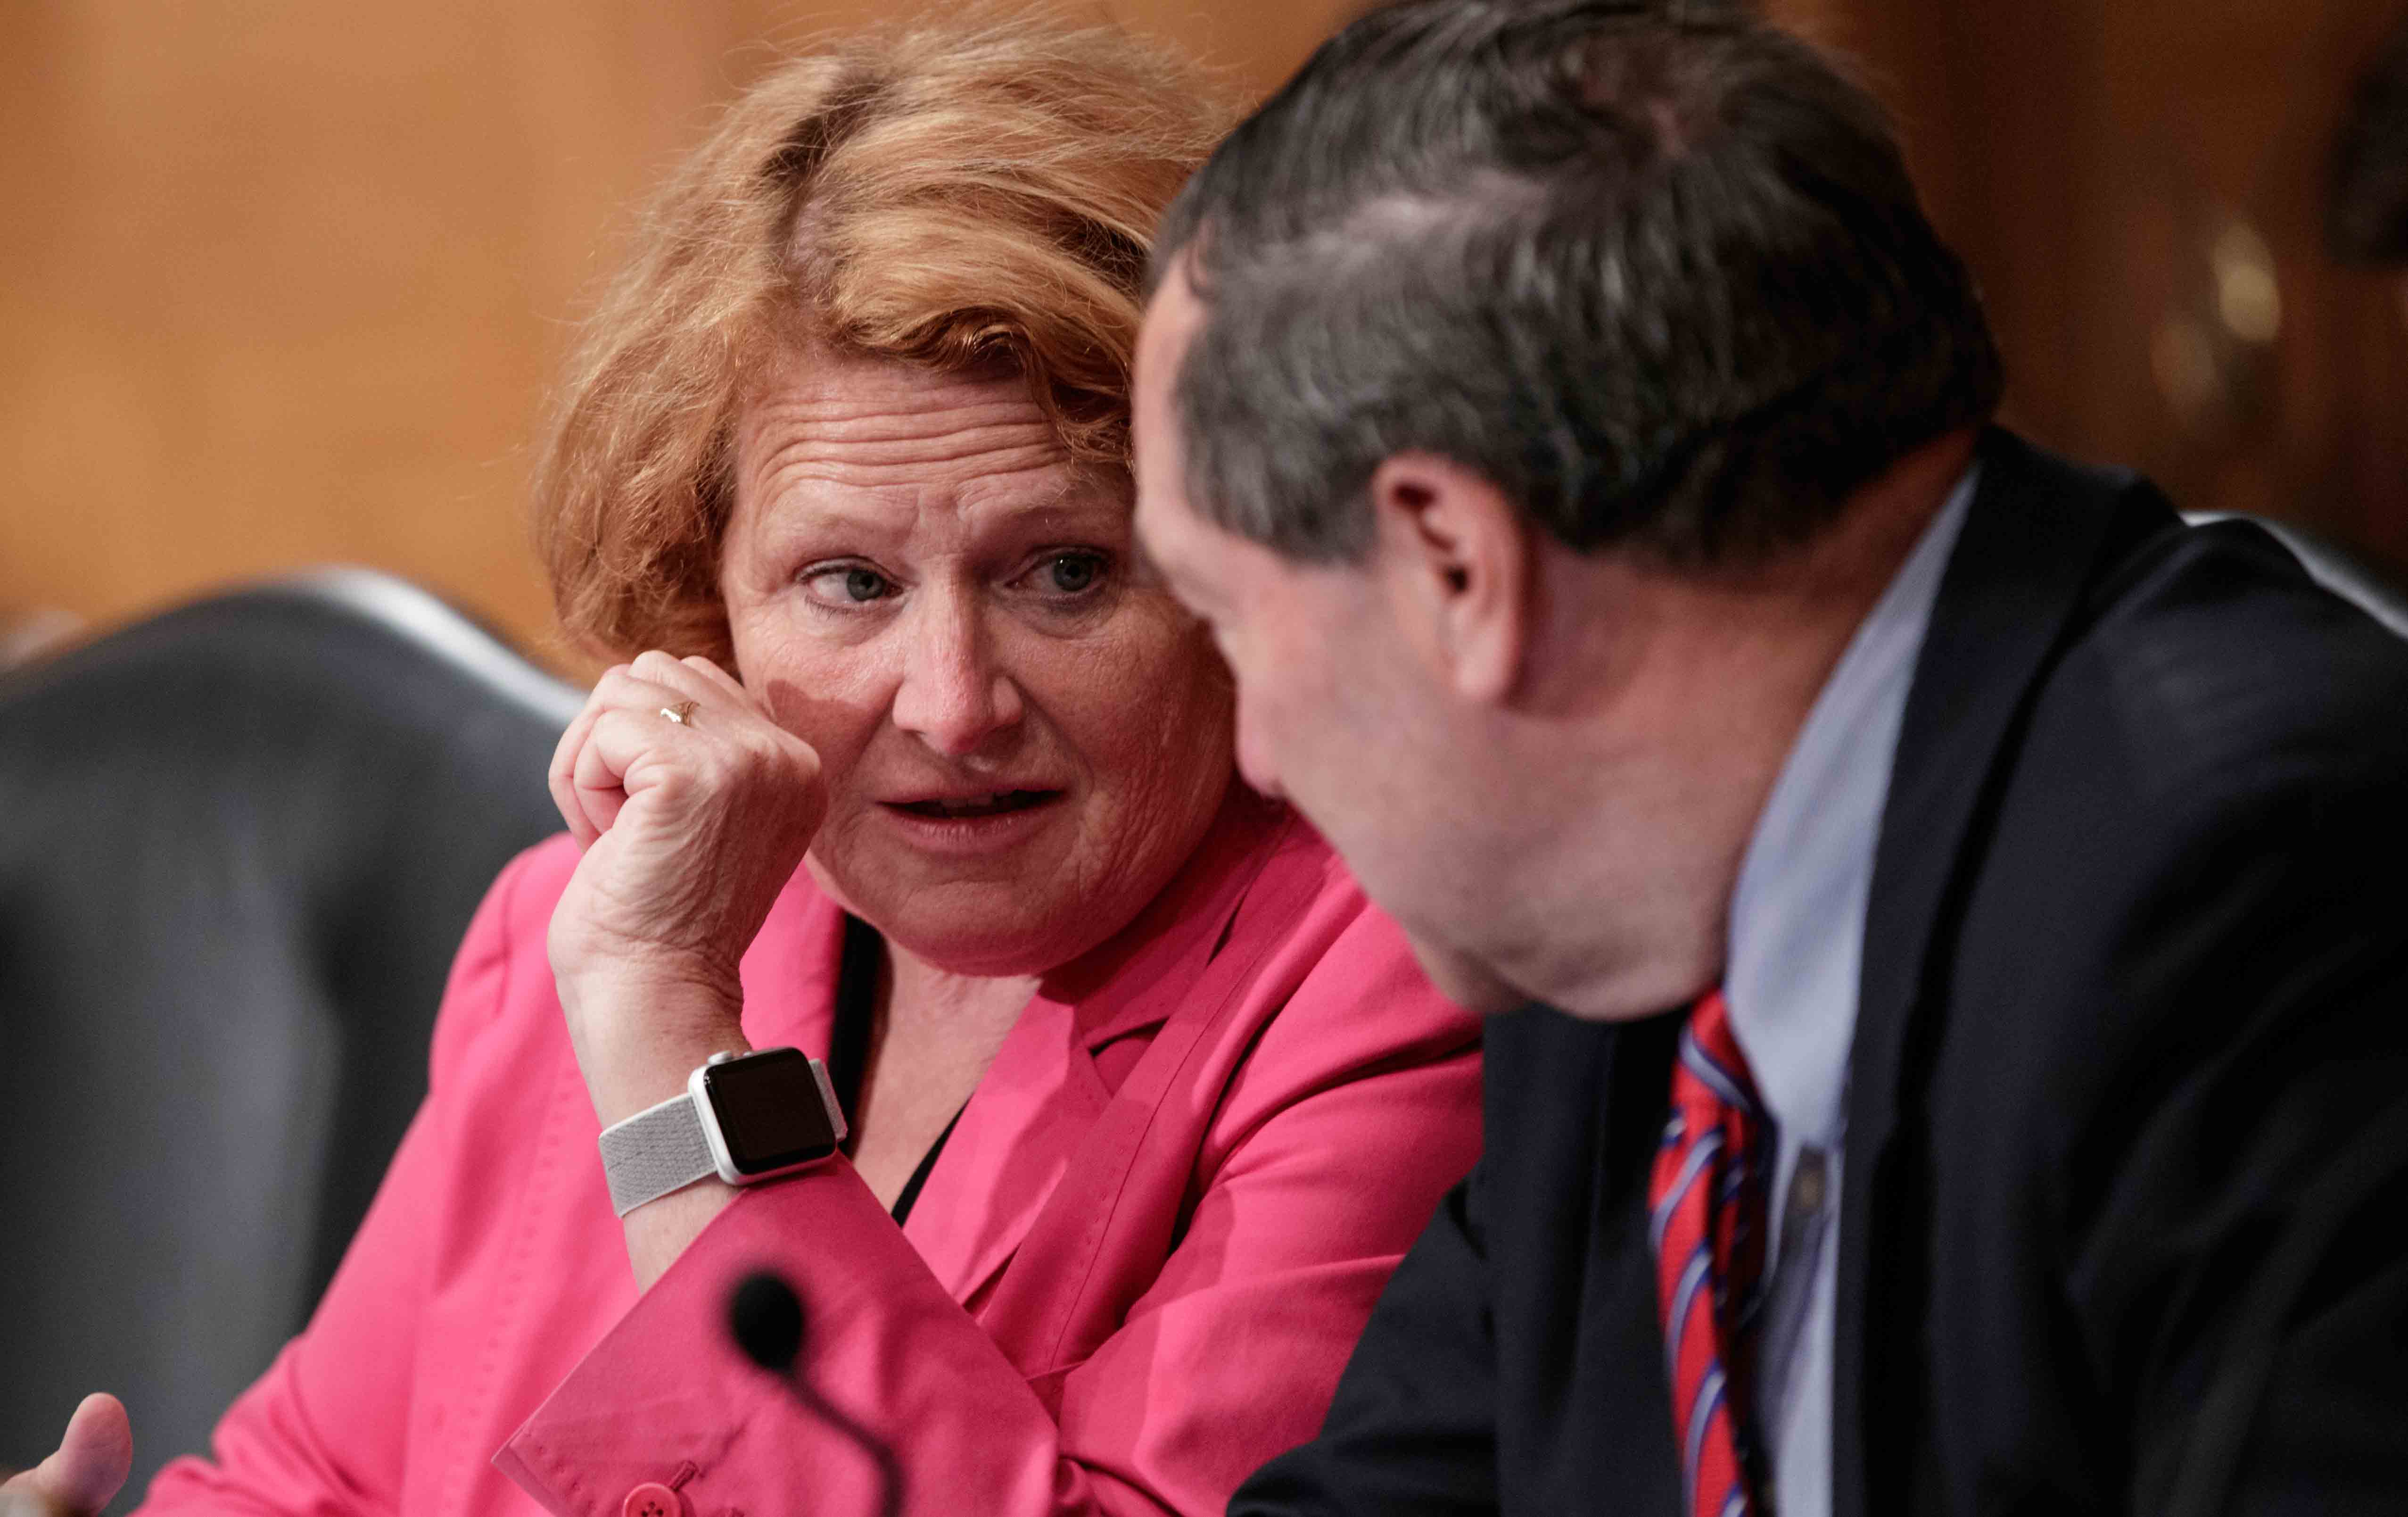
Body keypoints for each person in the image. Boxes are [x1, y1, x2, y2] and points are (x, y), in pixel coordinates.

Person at [1, 16, 1483, 1517]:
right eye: (849, 583)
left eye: (1068, 572)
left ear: (1241, 559)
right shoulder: (565, 927)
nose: (953, 705)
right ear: (705, 595)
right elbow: (308, 1481)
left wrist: (671, 1039)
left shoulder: (1392, 970)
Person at [1130, 2, 2408, 1514]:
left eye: (1224, 618)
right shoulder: (1619, 910)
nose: (1258, 758)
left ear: (1451, 562)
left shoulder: (2256, 882)